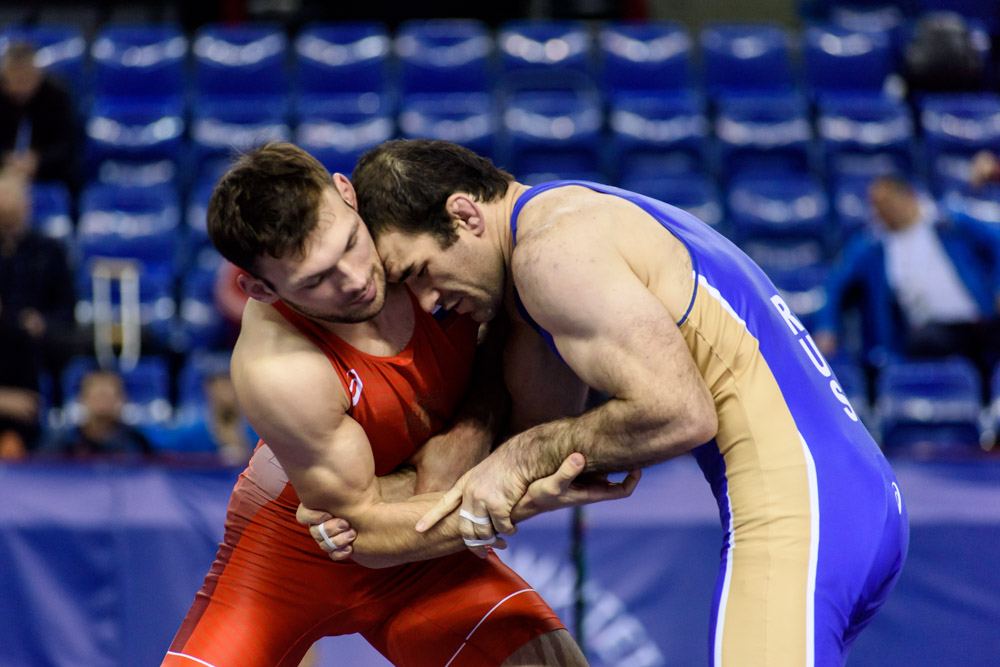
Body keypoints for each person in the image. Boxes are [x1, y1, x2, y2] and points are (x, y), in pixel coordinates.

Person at [311, 138, 910, 666]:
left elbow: (678, 412)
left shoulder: (553, 251)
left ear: (464, 214)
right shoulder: (555, 229)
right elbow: (524, 431)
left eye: (419, 272)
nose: (427, 301)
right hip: (850, 498)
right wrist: (360, 498)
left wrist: (519, 459)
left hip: (801, 510)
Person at [163, 143, 635, 667]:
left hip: (422, 551)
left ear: (348, 193)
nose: (356, 279)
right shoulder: (278, 367)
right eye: (316, 280)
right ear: (260, 289)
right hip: (292, 554)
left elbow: (515, 316)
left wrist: (470, 432)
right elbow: (360, 531)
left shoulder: (414, 230)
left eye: (350, 243)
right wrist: (507, 496)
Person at [814, 176, 1000, 380]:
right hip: (927, 332)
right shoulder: (871, 246)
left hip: (979, 320)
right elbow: (836, 285)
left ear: (909, 197)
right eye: (877, 206)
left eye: (888, 203)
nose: (883, 212)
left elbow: (996, 241)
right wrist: (827, 328)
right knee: (928, 339)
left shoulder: (949, 222)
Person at [0, 173, 76, 455]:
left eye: (12, 197)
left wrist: (43, 322)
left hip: (39, 342)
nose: (6, 204)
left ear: (27, 204)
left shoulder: (49, 249)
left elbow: (68, 307)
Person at [0, 42, 76, 186]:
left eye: (25, 80)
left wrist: (37, 162)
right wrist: (6, 160)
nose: (20, 88)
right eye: (15, 80)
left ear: (37, 74)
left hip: (49, 174)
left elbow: (67, 145)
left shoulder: (57, 95)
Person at [38, 369, 153, 458]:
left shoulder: (136, 442)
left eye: (108, 396)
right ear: (82, 398)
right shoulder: (64, 441)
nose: (102, 402)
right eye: (97, 396)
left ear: (122, 399)